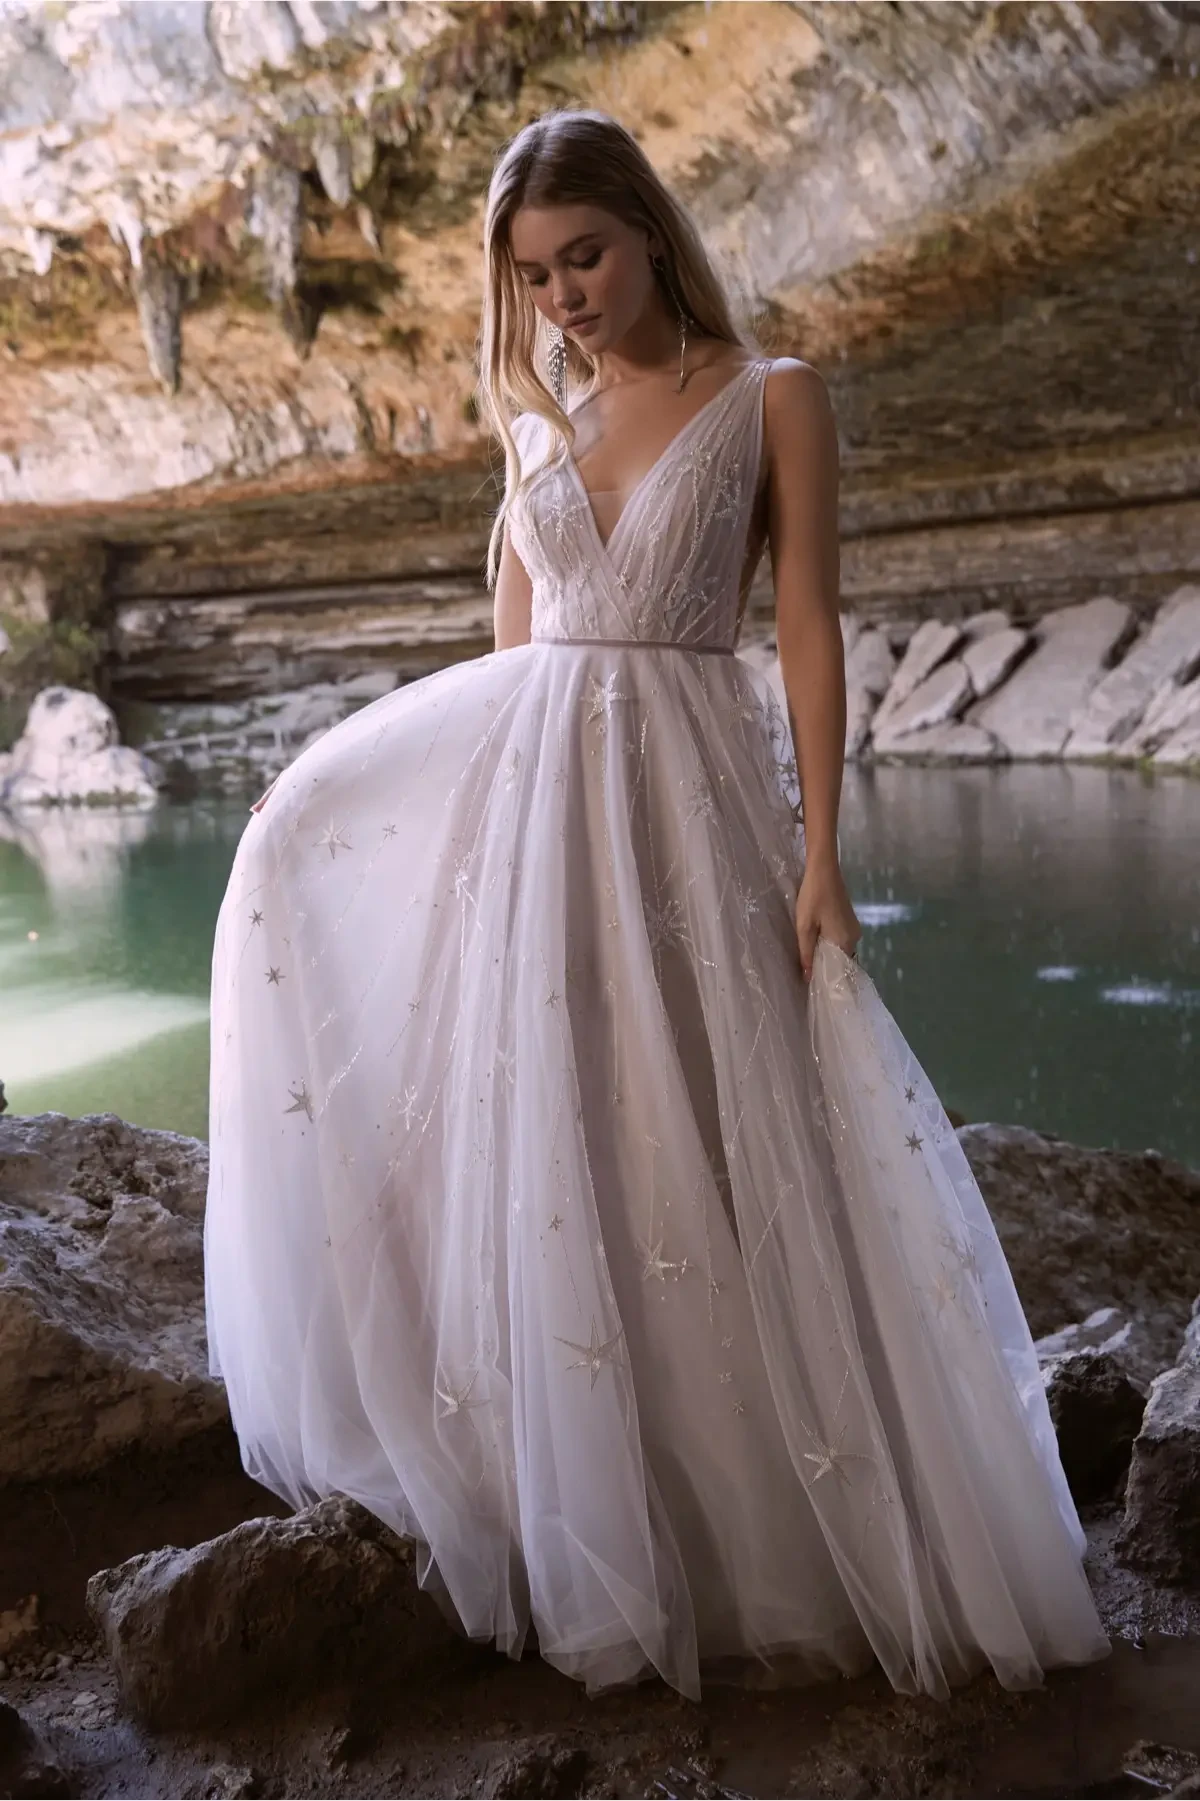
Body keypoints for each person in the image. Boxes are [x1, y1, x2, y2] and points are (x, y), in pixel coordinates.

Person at [203, 107, 1111, 1705]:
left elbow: (812, 630)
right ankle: (592, 1515)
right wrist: (392, 832)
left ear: (648, 231)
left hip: (694, 806)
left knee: (720, 1127)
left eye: (585, 257)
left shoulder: (772, 399)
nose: (561, 297)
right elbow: (507, 669)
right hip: (545, 817)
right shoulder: (537, 427)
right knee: (570, 1143)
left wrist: (826, 855)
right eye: (533, 276)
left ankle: (756, 1532)